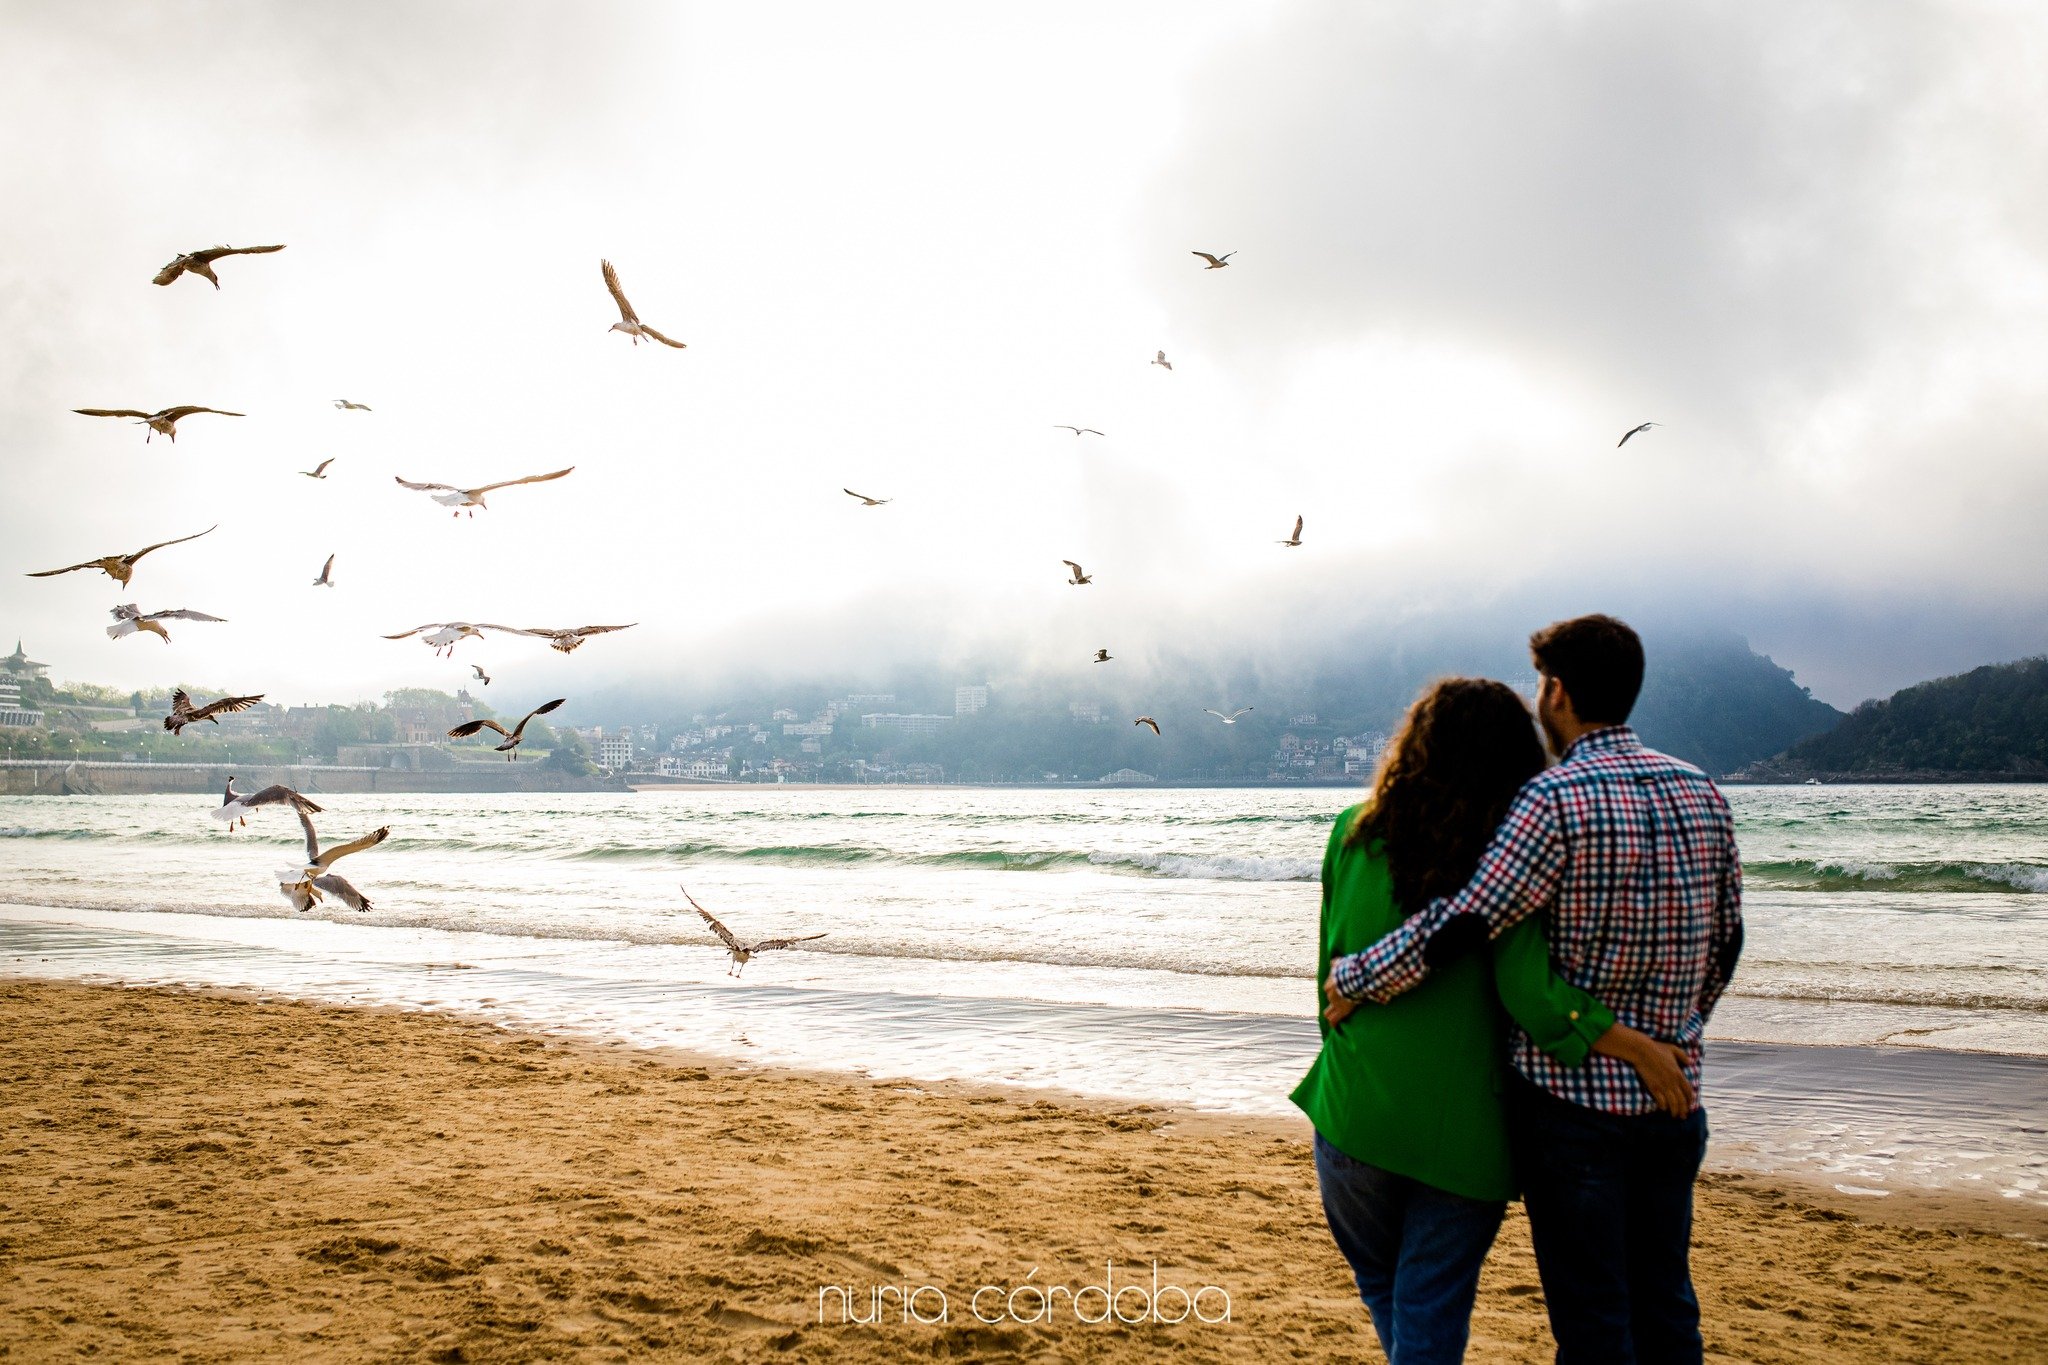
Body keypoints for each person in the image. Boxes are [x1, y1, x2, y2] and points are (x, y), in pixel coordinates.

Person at [1326, 615, 1744, 1364]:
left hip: (1572, 1107)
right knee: (1668, 1303)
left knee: (1593, 1321)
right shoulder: (1704, 791)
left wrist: (1355, 978)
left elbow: (1467, 922)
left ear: (1556, 692)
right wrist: (1677, 1033)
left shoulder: (1553, 801)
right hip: (1673, 1096)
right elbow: (1727, 939)